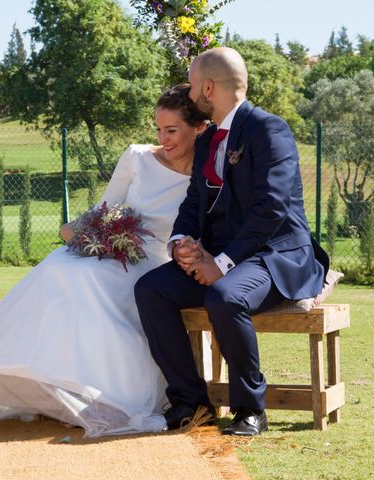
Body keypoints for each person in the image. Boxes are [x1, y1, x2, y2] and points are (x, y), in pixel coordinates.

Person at [0, 85, 207, 437]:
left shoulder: (206, 177)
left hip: (156, 259)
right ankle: (52, 386)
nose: (163, 138)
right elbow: (106, 207)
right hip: (114, 247)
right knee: (59, 269)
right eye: (158, 129)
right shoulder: (137, 157)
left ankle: (104, 397)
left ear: (199, 129)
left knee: (91, 283)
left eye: (171, 130)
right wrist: (85, 233)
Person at [134, 47, 329, 436]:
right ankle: (191, 403)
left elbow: (271, 210)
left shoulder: (269, 130)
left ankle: (250, 408)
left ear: (208, 87)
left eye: (191, 87)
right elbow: (193, 202)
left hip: (274, 256)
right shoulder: (208, 141)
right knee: (151, 289)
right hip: (221, 255)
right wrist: (179, 244)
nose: (189, 96)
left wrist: (220, 264)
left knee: (224, 296)